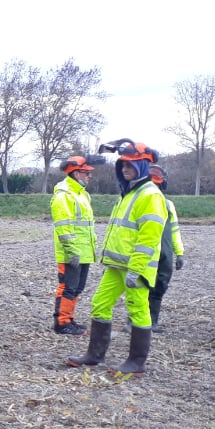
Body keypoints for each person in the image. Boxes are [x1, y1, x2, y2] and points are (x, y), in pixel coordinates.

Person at [67, 139, 167, 377]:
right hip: (116, 265)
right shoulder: (129, 193)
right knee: (100, 304)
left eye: (130, 165)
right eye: (123, 165)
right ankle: (94, 355)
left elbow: (149, 237)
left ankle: (136, 362)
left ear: (143, 165)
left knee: (138, 311)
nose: (125, 169)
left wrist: (137, 268)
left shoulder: (149, 195)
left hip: (134, 267)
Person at [50, 155, 100, 335]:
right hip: (72, 252)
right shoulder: (64, 195)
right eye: (86, 173)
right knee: (68, 287)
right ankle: (62, 323)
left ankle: (69, 319)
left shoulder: (82, 194)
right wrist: (72, 251)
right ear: (76, 173)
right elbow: (64, 227)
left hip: (84, 252)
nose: (90, 176)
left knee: (77, 288)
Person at [147, 164, 184, 332]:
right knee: (141, 287)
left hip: (165, 253)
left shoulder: (168, 205)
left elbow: (174, 230)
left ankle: (152, 321)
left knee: (160, 285)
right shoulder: (136, 201)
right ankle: (133, 322)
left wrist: (179, 253)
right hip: (145, 251)